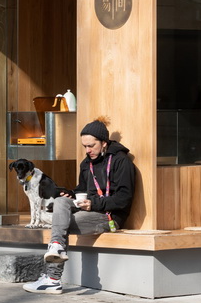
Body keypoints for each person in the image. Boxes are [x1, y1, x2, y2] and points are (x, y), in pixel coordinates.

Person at [23, 116, 135, 294]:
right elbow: (82, 189)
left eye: (91, 146)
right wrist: (72, 194)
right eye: (85, 146)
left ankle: (52, 278)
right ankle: (57, 248)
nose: (88, 150)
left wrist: (94, 203)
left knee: (61, 223)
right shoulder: (86, 164)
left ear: (104, 143)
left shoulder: (121, 161)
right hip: (87, 211)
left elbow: (124, 198)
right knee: (60, 201)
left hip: (109, 217)